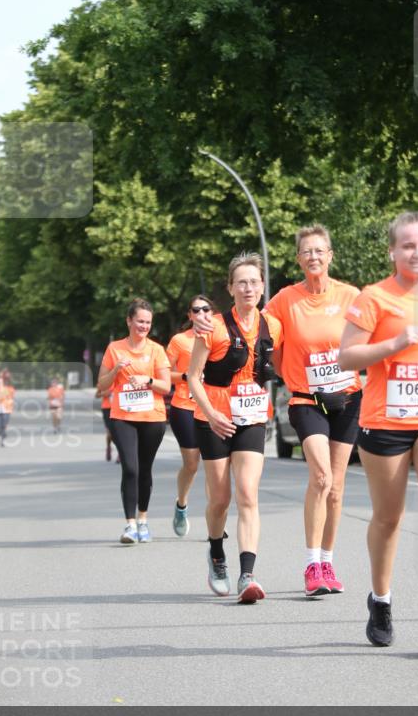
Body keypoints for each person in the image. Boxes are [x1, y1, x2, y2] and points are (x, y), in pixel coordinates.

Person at [339, 211, 418, 648]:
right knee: (389, 517)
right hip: (385, 419)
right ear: (393, 251)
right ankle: (380, 599)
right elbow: (347, 358)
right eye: (408, 245)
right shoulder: (373, 298)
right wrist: (394, 344)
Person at [264, 224, 362, 597]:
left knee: (336, 489)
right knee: (320, 478)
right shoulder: (284, 301)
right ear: (298, 259)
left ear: (330, 255)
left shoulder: (350, 295)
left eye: (320, 250)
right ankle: (310, 565)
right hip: (307, 399)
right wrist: (286, 372)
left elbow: (368, 337)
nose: (314, 257)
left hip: (348, 399)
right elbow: (267, 341)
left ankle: (327, 562)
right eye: (307, 252)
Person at [187, 252, 281, 603]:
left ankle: (247, 574)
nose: (248, 287)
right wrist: (211, 413)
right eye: (241, 282)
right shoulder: (213, 327)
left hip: (253, 417)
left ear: (262, 287)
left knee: (247, 494)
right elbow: (192, 377)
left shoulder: (273, 325)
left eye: (254, 282)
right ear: (230, 288)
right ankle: (216, 554)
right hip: (214, 419)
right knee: (220, 499)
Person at [98, 299, 171, 544]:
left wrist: (148, 380)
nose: (144, 326)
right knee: (131, 468)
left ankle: (143, 520)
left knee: (145, 469)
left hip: (152, 417)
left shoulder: (156, 350)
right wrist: (116, 369)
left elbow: (166, 386)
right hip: (123, 417)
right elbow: (102, 386)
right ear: (129, 320)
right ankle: (129, 525)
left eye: (148, 322)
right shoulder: (115, 349)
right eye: (140, 321)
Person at [166, 295, 216, 537]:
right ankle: (181, 505)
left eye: (206, 309)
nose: (202, 313)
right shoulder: (179, 341)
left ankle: (215, 518)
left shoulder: (219, 335)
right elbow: (164, 374)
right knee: (192, 464)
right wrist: (187, 376)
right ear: (190, 315)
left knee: (213, 463)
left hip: (213, 406)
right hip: (185, 405)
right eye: (196, 310)